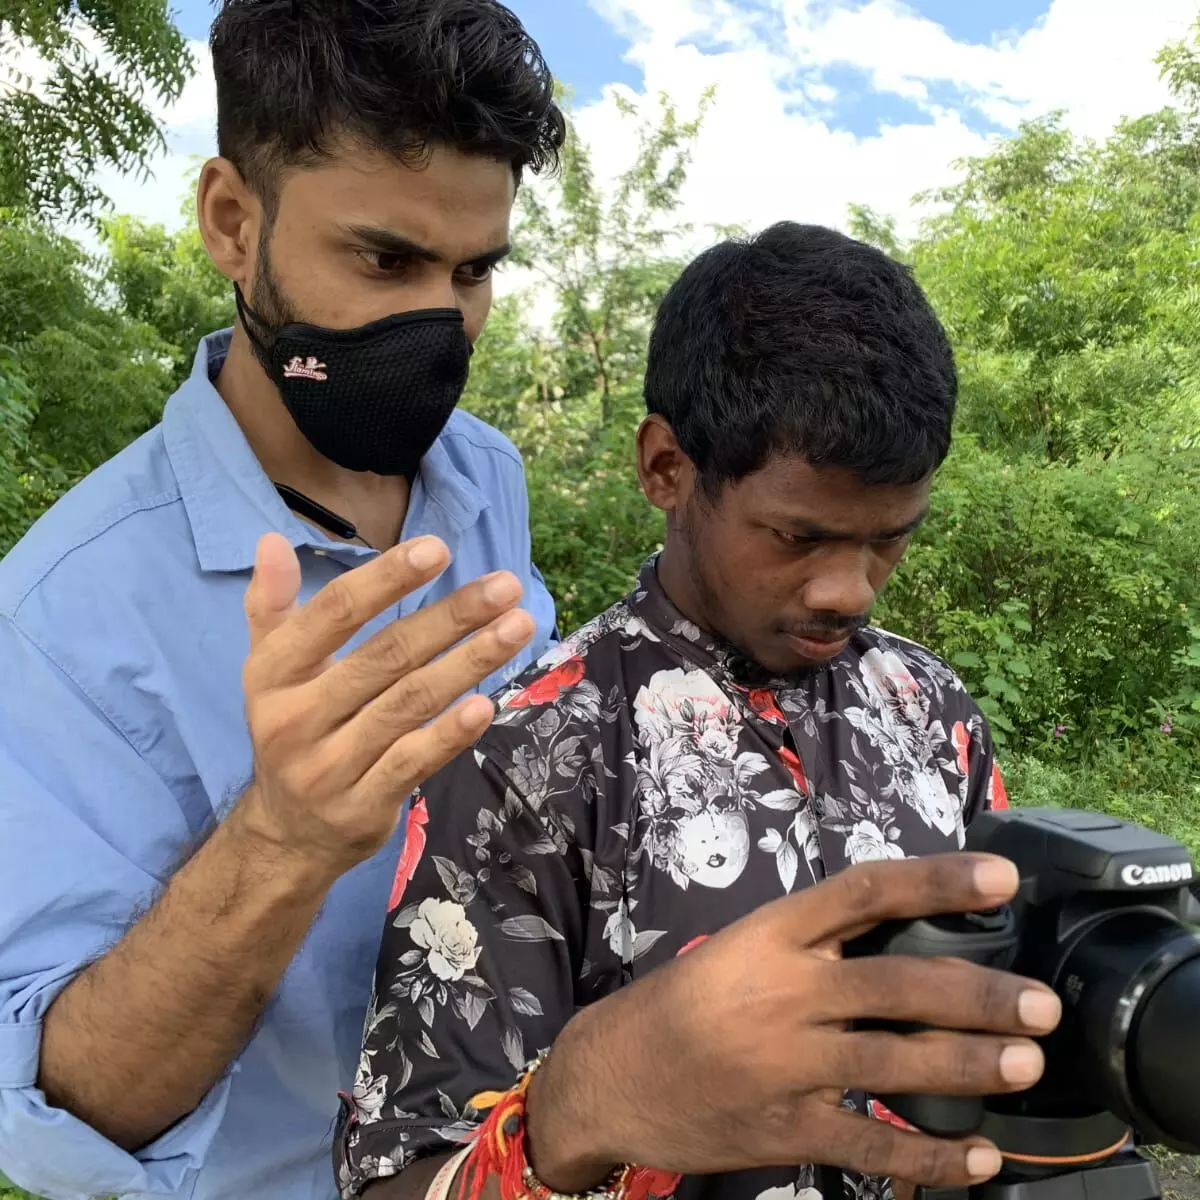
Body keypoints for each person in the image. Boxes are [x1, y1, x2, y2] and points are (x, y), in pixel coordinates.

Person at [339, 223, 1064, 1200]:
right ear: (667, 469)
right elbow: (399, 1180)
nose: (849, 589)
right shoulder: (520, 753)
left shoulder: (929, 711)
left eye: (889, 540)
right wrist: (579, 1110)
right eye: (797, 536)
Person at [0, 2, 569, 1196]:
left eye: (473, 272)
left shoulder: (484, 477)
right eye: (384, 260)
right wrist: (283, 842)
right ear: (231, 220)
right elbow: (63, 1110)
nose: (440, 326)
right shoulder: (63, 615)